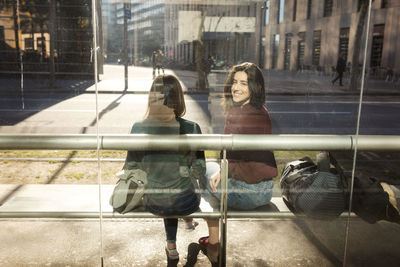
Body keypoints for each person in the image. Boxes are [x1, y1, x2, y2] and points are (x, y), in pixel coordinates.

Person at [198, 62, 278, 265]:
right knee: (208, 171)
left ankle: (214, 245)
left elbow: (252, 168)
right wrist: (223, 169)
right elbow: (231, 154)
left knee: (202, 173)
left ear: (255, 87)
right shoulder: (251, 110)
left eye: (244, 83)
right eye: (234, 82)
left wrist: (224, 171)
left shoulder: (249, 115)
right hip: (260, 188)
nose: (236, 87)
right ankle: (214, 242)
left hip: (252, 191)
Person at [123, 75, 205, 261]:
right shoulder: (192, 128)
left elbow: (131, 167)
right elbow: (199, 171)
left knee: (165, 186)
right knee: (180, 184)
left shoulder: (138, 128)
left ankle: (172, 248)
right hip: (186, 202)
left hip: (154, 202)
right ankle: (188, 220)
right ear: (179, 98)